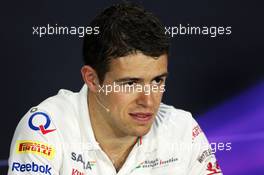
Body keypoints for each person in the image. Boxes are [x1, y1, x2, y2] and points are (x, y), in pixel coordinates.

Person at [8, 2, 222, 175]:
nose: (149, 102)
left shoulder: (182, 130)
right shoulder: (46, 128)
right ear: (92, 79)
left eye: (157, 81)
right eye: (130, 83)